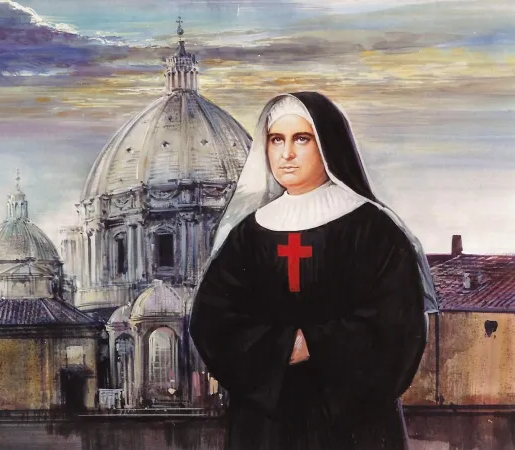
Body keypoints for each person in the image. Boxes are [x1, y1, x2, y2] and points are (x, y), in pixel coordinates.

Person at [188, 92, 438, 450]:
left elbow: (397, 325)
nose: (286, 153)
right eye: (277, 140)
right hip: (265, 425)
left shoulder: (373, 228)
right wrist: (280, 346)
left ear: (327, 145)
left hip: (352, 423)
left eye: (301, 139)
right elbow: (212, 321)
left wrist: (314, 344)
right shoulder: (249, 233)